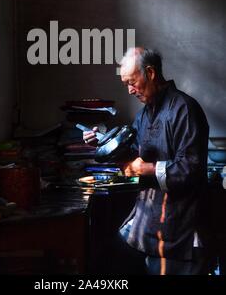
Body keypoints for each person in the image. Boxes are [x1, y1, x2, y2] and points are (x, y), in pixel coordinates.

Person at [84, 47, 210, 275]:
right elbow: (133, 154)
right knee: (104, 258)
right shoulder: (143, 115)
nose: (130, 90)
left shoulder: (184, 109)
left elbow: (191, 168)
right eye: (126, 85)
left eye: (132, 82)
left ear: (150, 73)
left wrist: (148, 169)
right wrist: (100, 143)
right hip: (148, 217)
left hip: (179, 222)